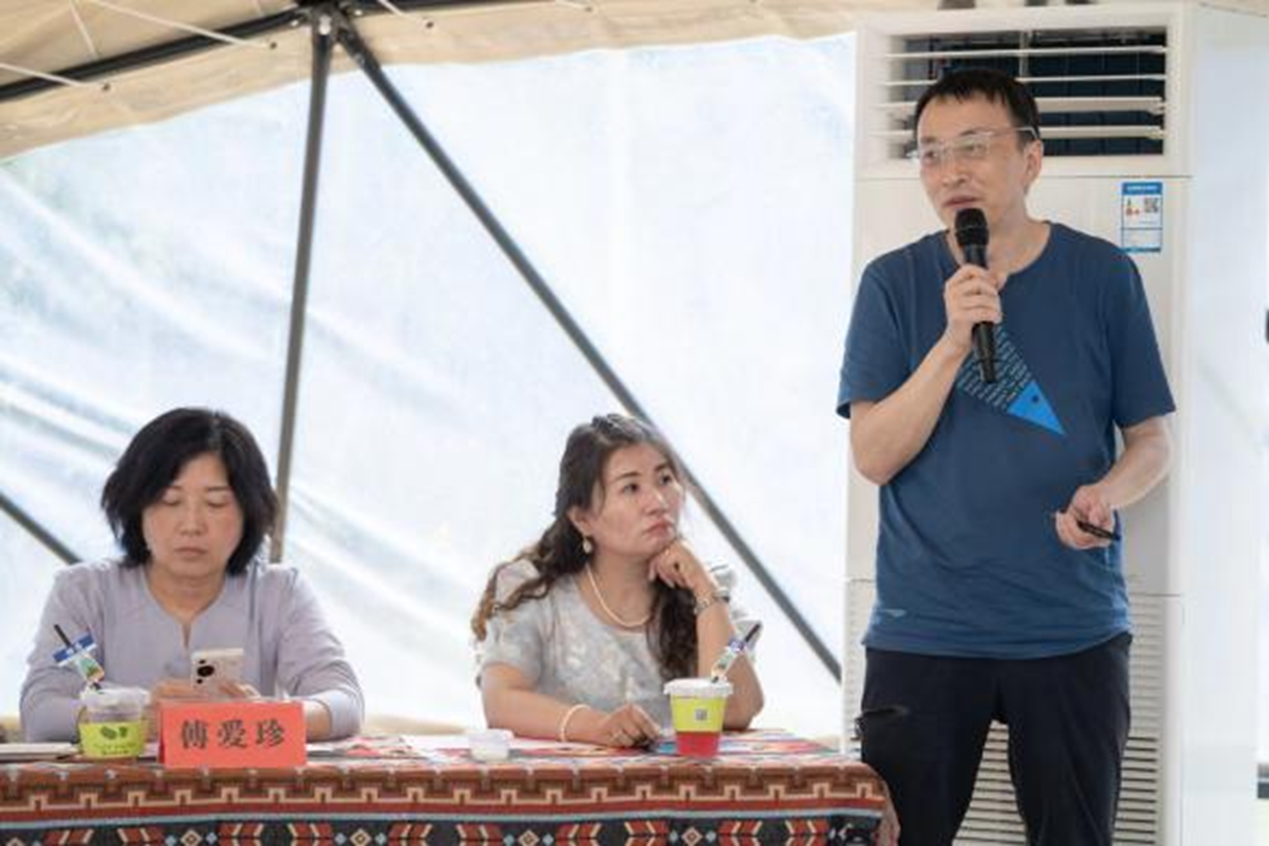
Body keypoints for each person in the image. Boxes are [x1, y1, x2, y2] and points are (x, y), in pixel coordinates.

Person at [837, 68, 1174, 845]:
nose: (949, 170)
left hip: (1069, 630)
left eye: (973, 146)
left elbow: (1151, 442)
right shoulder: (891, 284)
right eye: (930, 153)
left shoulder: (1103, 276)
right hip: (923, 630)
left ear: (1030, 158)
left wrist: (1106, 494)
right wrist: (951, 343)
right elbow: (873, 456)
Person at [20, 407, 363, 742]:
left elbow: (344, 702)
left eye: (216, 503)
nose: (192, 525)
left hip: (242, 782)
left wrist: (262, 716)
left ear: (249, 511)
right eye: (170, 501)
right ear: (136, 507)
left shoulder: (280, 592)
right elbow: (41, 711)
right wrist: (135, 716)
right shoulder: (84, 591)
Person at [471, 413, 763, 747]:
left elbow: (736, 710)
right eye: (631, 488)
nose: (657, 502)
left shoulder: (711, 590)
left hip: (680, 782)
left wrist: (705, 590)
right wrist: (598, 727)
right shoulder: (534, 589)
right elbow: (501, 701)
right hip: (567, 781)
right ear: (582, 519)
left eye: (665, 479)